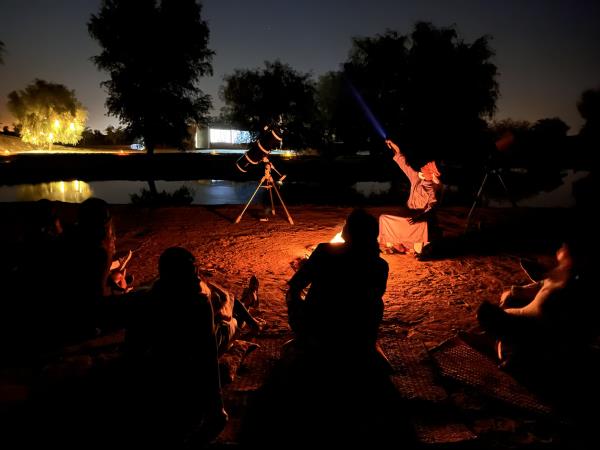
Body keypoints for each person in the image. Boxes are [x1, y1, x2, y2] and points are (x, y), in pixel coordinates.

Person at [476, 234, 593, 372]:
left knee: (486, 313)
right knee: (506, 301)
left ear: (574, 255)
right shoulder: (563, 272)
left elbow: (566, 327)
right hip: (526, 322)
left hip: (537, 333)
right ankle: (505, 344)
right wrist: (514, 292)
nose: (559, 249)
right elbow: (542, 284)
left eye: (563, 247)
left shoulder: (577, 285)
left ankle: (516, 357)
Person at [286, 208, 389, 365]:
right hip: (357, 331)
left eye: (346, 225)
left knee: (293, 294)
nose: (344, 228)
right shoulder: (380, 265)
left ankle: (305, 339)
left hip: (320, 327)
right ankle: (367, 345)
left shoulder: (324, 252)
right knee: (376, 303)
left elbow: (296, 284)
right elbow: (372, 300)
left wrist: (300, 304)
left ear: (349, 231)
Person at [378, 139, 443, 255]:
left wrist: (419, 217)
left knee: (422, 227)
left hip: (420, 220)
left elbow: (432, 208)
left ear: (432, 174)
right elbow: (403, 162)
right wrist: (393, 146)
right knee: (384, 218)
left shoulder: (433, 189)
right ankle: (401, 245)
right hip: (407, 216)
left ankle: (415, 247)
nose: (425, 165)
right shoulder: (416, 178)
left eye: (428, 167)